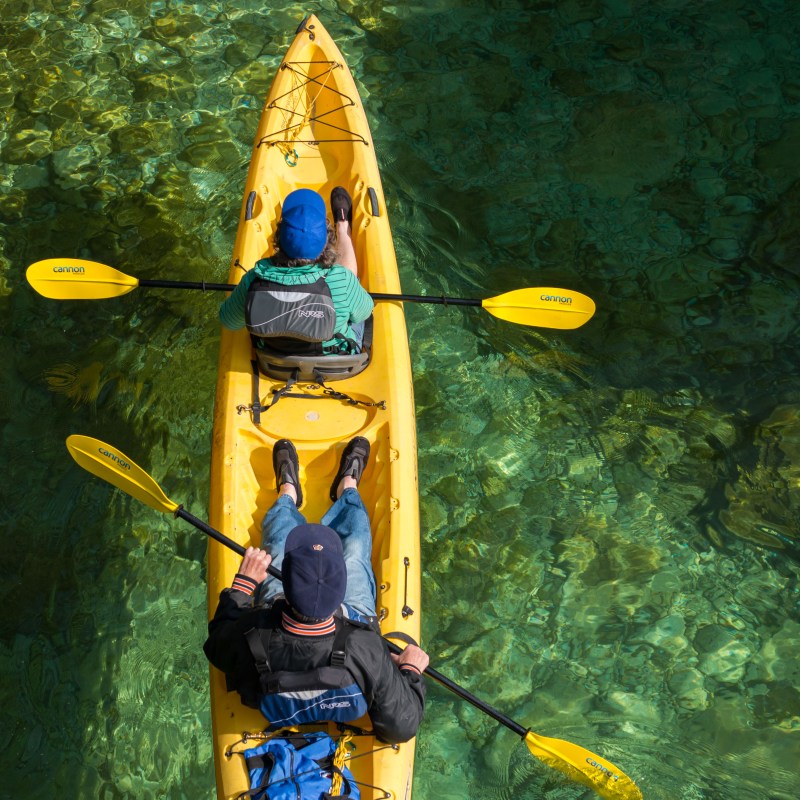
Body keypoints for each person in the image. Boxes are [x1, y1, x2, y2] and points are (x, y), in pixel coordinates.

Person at [203, 436, 429, 744]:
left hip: (281, 626)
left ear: (285, 585)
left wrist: (244, 585)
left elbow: (216, 646)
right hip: (353, 618)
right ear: (342, 590)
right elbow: (400, 728)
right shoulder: (367, 648)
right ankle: (348, 488)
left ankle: (287, 493)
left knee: (281, 538)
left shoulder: (252, 633)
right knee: (354, 549)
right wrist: (411, 673)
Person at [219, 187, 374, 355]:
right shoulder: (342, 279)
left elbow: (229, 322)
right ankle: (343, 228)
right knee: (351, 292)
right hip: (334, 360)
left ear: (278, 236)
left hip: (275, 363)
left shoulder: (254, 278)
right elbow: (364, 312)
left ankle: (343, 228)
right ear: (326, 240)